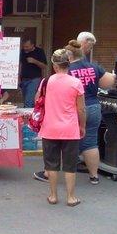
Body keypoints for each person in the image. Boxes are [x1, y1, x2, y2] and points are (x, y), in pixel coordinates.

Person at [34, 39, 116, 184]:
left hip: (72, 110)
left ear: (69, 57)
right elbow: (108, 83)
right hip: (94, 106)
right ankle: (94, 176)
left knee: (60, 142)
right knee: (90, 142)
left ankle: (49, 173)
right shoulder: (93, 67)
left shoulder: (67, 71)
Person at [37, 48, 86, 207]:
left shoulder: (47, 81)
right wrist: (82, 125)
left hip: (50, 128)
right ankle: (71, 197)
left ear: (54, 65)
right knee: (70, 164)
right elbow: (81, 109)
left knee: (51, 163)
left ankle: (53, 195)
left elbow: (38, 99)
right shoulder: (76, 83)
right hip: (70, 129)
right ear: (69, 64)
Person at [19, 39, 47, 107]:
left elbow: (44, 66)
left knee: (28, 101)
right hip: (23, 79)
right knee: (26, 99)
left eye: (27, 46)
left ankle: (27, 116)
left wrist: (35, 61)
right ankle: (31, 114)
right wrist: (19, 77)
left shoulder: (39, 51)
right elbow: (20, 64)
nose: (25, 48)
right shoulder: (22, 52)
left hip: (34, 79)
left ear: (32, 45)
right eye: (24, 46)